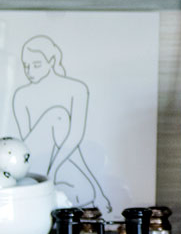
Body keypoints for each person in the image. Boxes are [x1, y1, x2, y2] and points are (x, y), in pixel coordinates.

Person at [12, 35, 110, 210]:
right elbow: (26, 150)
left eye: (36, 65)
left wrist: (95, 188)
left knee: (84, 193)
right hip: (36, 161)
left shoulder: (77, 89)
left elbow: (74, 142)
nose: (29, 71)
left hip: (62, 160)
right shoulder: (21, 95)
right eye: (26, 66)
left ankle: (69, 182)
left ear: (51, 61)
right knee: (58, 116)